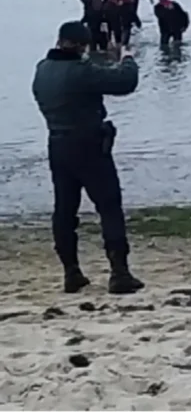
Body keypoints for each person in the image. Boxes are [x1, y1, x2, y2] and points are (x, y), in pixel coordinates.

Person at [31, 21, 145, 295]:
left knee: (64, 210)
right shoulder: (80, 71)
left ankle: (71, 272)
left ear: (59, 40)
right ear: (82, 45)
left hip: (57, 144)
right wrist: (127, 58)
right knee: (108, 206)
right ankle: (119, 273)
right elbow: (124, 82)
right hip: (90, 146)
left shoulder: (42, 70)